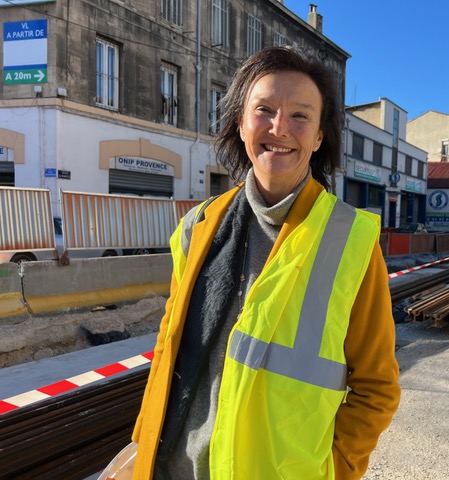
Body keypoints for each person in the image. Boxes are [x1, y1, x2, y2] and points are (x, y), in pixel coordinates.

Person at [129, 46, 401, 479]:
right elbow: (168, 346)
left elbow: (377, 387)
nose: (279, 128)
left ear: (318, 137)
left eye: (300, 116)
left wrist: (337, 469)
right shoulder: (198, 228)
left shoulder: (350, 240)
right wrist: (142, 444)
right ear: (241, 124)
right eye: (264, 110)